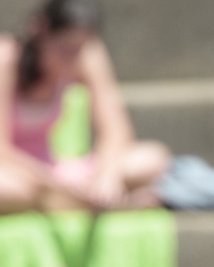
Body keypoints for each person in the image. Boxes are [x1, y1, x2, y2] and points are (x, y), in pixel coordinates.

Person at [0, 0, 170, 215]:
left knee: (152, 159)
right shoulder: (5, 57)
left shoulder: (86, 53)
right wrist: (53, 185)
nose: (71, 58)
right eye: (64, 48)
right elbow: (2, 151)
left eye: (78, 49)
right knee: (8, 190)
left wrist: (107, 176)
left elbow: (116, 130)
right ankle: (94, 204)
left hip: (54, 169)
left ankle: (74, 202)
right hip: (15, 172)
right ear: (40, 30)